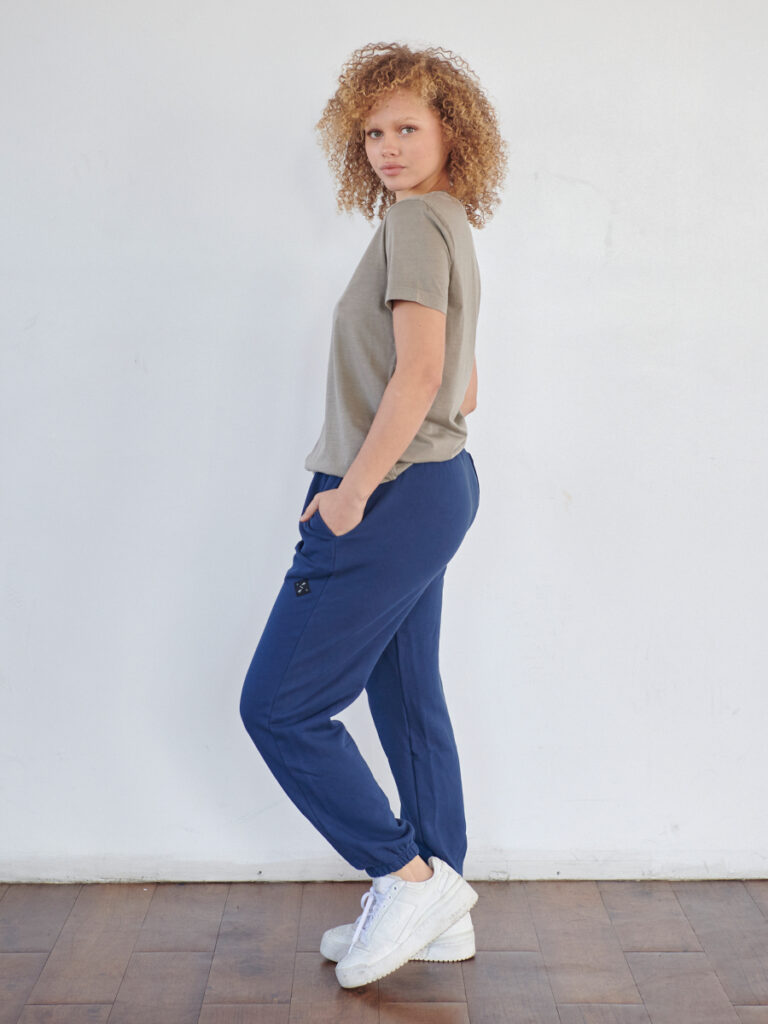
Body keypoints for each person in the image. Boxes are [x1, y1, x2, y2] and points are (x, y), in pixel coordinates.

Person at [239, 41, 508, 989]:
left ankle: (405, 877)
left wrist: (352, 490)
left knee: (278, 707)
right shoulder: (448, 221)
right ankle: (441, 903)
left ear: (451, 131)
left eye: (407, 128)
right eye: (372, 134)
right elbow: (463, 386)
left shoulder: (416, 224)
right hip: (438, 487)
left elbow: (427, 374)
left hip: (389, 493)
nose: (387, 147)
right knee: (404, 695)